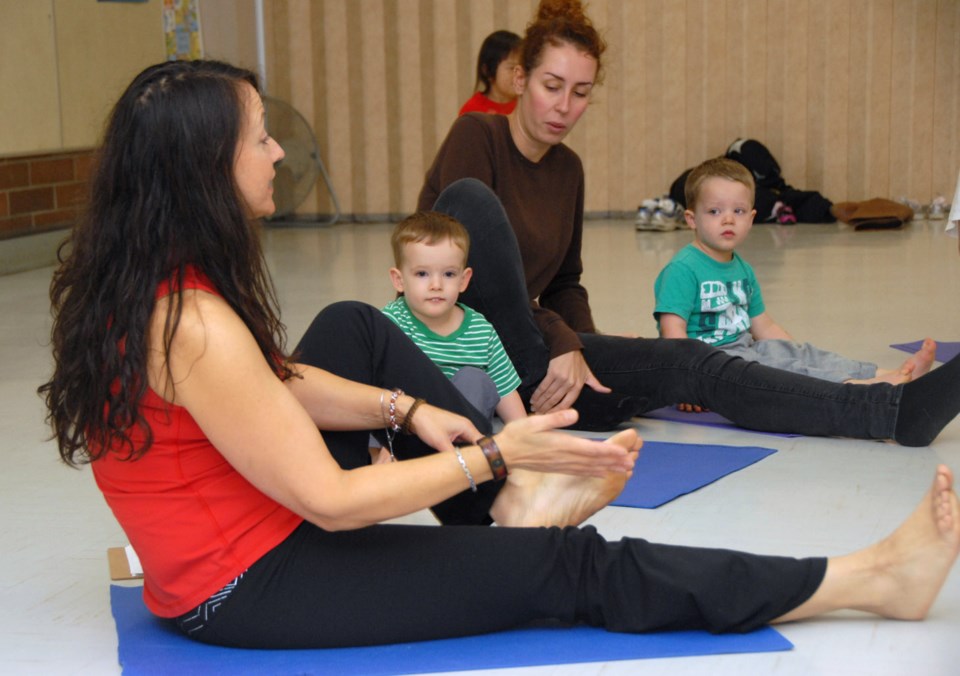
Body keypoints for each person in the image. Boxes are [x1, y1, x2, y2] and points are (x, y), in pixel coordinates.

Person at [37, 59, 960, 653]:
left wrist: (408, 411)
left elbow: (278, 380)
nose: (279, 151)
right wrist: (492, 453)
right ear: (208, 169)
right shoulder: (190, 322)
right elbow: (333, 503)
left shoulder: (155, 278)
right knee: (574, 571)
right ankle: (869, 580)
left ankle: (511, 512)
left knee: (360, 324)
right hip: (249, 584)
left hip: (233, 545)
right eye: (260, 136)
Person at [418, 0, 960, 447]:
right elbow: (476, 282)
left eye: (580, 93)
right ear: (519, 78)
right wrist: (565, 341)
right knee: (470, 201)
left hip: (539, 359)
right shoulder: (476, 137)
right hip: (469, 350)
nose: (564, 106)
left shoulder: (569, 169)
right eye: (551, 85)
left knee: (695, 358)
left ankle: (888, 411)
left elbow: (563, 282)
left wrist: (589, 344)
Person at [654, 157, 937, 386]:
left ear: (752, 218)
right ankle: (856, 387)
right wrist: (687, 383)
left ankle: (881, 373)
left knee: (803, 356)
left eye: (738, 211)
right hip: (713, 367)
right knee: (783, 372)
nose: (728, 219)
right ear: (692, 219)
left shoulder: (742, 268)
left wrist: (796, 352)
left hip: (745, 350)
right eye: (715, 212)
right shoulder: (682, 270)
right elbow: (673, 335)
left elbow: (763, 326)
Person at [384, 211, 526, 424]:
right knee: (378, 386)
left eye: (448, 274)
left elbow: (505, 391)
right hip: (404, 429)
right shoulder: (390, 323)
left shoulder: (480, 331)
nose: (436, 285)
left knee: (475, 379)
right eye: (422, 274)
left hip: (459, 429)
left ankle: (458, 452)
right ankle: (384, 456)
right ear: (399, 280)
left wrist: (525, 434)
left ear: (463, 279)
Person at [458, 30, 522, 117]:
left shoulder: (525, 105)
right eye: (511, 68)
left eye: (522, 68)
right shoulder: (472, 110)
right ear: (487, 71)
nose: (519, 74)